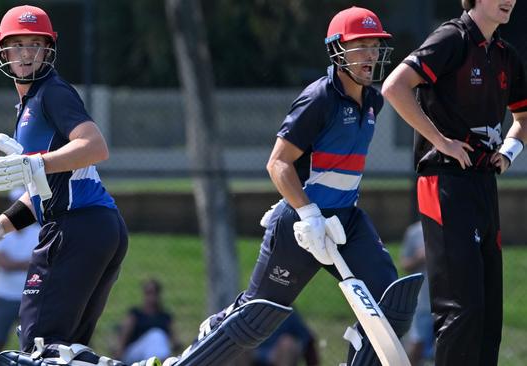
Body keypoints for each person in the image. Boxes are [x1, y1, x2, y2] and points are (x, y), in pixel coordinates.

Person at [163, 7, 423, 366]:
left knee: (388, 303)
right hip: (301, 226)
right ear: (337, 50)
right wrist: (306, 211)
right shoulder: (319, 98)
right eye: (360, 45)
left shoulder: (373, 100)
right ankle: (195, 352)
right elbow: (278, 162)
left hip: (346, 219)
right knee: (258, 317)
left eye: (375, 45)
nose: (371, 55)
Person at [0, 5, 158, 366]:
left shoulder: (52, 93)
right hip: (97, 227)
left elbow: (95, 147)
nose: (26, 53)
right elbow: (43, 192)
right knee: (64, 352)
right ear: (2, 49)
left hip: (74, 228)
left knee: (37, 350)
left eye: (35, 44)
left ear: (49, 49)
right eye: (17, 45)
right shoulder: (29, 104)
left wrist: (36, 163)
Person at [381, 0, 527, 364]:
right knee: (460, 308)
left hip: (483, 184)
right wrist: (440, 140)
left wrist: (509, 151)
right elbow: (394, 87)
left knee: (488, 312)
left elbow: (523, 117)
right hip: (444, 183)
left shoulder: (506, 56)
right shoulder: (452, 38)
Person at [0, 188, 41, 366]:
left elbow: (41, 263)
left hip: (32, 297)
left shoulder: (39, 231)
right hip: (5, 296)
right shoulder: (0, 233)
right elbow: (3, 263)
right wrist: (28, 263)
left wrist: (18, 264)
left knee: (34, 346)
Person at [115, 279, 179, 363]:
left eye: (154, 293)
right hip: (134, 353)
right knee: (156, 335)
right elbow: (124, 335)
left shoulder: (164, 316)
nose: (151, 297)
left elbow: (175, 342)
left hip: (156, 354)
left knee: (158, 336)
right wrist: (118, 353)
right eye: (148, 293)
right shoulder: (136, 314)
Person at [400, 222, 434, 365]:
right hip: (423, 301)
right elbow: (404, 264)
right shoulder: (414, 231)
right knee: (417, 345)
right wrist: (419, 257)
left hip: (449, 300)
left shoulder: (454, 229)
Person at [251, 309, 319, 366]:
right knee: (242, 342)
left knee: (287, 343)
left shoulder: (286, 309)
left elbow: (306, 337)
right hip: (254, 351)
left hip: (280, 353)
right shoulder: (251, 308)